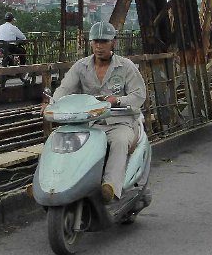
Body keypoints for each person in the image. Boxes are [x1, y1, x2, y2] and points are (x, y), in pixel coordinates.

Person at [51, 21, 146, 202]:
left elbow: (139, 95)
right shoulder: (81, 66)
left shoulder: (126, 66)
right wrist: (53, 104)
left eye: (104, 41)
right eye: (95, 41)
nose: (99, 46)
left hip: (119, 122)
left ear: (113, 43)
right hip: (89, 123)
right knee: (61, 138)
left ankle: (111, 188)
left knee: (119, 141)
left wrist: (117, 100)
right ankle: (56, 182)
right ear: (91, 43)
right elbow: (64, 89)